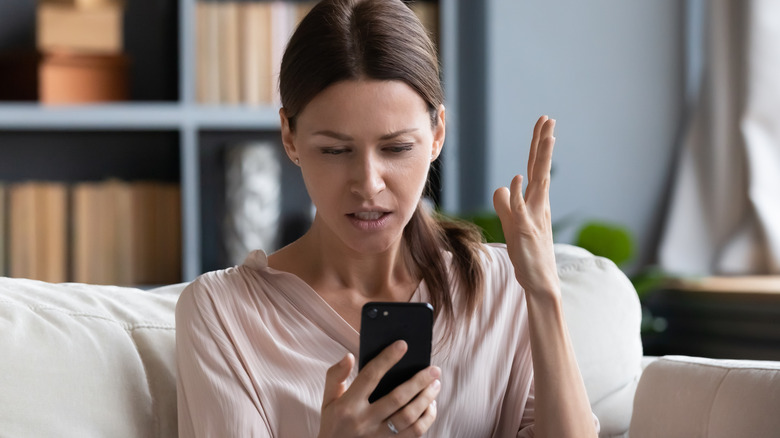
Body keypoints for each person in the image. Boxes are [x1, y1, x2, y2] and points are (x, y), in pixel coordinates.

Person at [176, 0, 599, 436]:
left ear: (437, 135)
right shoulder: (223, 314)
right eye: (335, 150)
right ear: (290, 137)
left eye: (396, 148)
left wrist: (545, 293)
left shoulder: (503, 290)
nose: (368, 184)